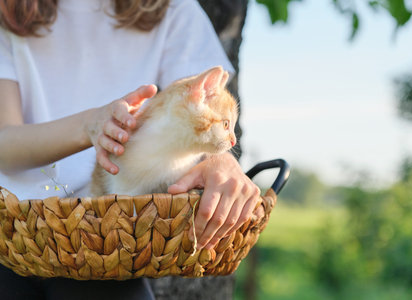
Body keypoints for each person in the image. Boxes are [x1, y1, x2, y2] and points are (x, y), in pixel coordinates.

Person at [0, 0, 261, 299]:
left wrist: (219, 161)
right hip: (12, 232)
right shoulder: (7, 11)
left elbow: (199, 105)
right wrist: (89, 125)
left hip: (108, 239)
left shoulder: (173, 7)